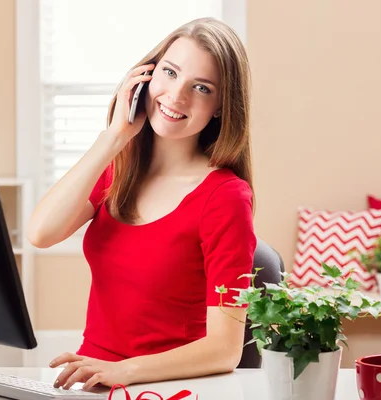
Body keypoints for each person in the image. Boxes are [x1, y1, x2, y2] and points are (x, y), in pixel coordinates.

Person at [27, 17, 256, 391]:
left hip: (166, 386)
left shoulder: (225, 197)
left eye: (201, 87)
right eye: (169, 72)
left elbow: (224, 350)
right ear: (145, 76)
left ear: (220, 106)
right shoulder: (120, 169)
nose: (177, 97)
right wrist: (114, 136)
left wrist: (124, 371)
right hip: (92, 381)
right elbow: (41, 232)